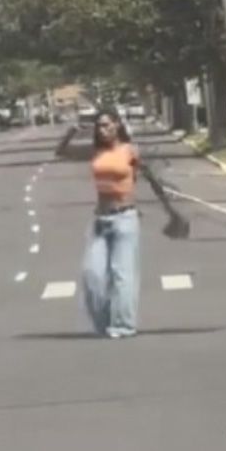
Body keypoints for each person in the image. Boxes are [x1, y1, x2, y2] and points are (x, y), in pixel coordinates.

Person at [81, 109, 142, 338]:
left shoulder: (130, 150)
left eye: (107, 125)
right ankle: (104, 322)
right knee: (92, 275)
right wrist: (69, 134)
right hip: (100, 219)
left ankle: (124, 324)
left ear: (117, 125)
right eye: (99, 126)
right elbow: (61, 151)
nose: (102, 129)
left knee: (122, 275)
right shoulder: (96, 152)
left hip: (125, 218)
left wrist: (171, 210)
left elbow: (145, 176)